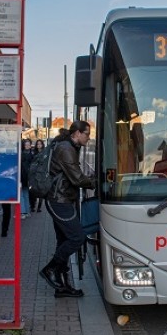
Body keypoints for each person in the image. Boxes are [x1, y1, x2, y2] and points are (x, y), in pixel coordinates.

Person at [40, 121, 96, 298]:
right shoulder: (66, 148)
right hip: (59, 201)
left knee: (63, 240)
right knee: (77, 237)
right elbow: (77, 179)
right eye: (87, 134)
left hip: (63, 199)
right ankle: (49, 270)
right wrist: (97, 181)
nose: (89, 137)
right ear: (77, 133)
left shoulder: (70, 146)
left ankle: (62, 287)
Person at [30, 139, 46, 213]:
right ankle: (33, 206)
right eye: (38, 144)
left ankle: (39, 207)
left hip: (42, 174)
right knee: (34, 190)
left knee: (41, 191)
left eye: (40, 144)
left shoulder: (45, 153)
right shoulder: (34, 153)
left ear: (42, 145)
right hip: (34, 174)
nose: (39, 145)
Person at [20, 139, 35, 219]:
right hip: (27, 177)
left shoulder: (22, 154)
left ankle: (23, 212)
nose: (27, 146)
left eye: (28, 144)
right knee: (25, 194)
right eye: (26, 144)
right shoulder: (32, 154)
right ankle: (27, 211)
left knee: (22, 195)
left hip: (23, 177)